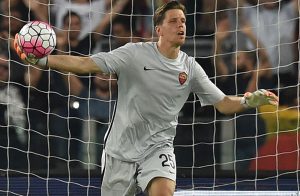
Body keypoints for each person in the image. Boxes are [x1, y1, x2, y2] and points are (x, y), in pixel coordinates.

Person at [14, 1, 279, 195]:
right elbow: (86, 66)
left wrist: (248, 101)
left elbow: (222, 103)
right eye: (174, 21)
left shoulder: (191, 68)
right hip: (120, 151)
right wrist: (45, 60)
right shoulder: (133, 54)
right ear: (159, 30)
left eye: (184, 21)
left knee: (164, 192)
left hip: (158, 148)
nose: (181, 25)